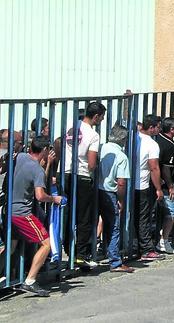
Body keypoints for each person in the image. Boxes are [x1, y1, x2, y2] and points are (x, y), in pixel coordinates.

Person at [11, 137, 64, 296]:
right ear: (45, 150)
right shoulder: (37, 170)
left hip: (10, 210)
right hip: (22, 213)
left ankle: (10, 275)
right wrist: (54, 199)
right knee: (46, 244)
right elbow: (40, 196)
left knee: (12, 246)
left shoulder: (20, 157)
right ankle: (30, 281)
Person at [64, 101, 106, 269]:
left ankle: (67, 250)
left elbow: (59, 144)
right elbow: (91, 162)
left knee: (67, 215)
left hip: (65, 173)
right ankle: (81, 255)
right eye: (101, 118)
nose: (101, 121)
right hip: (82, 176)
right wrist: (95, 168)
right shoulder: (93, 135)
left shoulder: (70, 126)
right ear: (95, 116)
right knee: (84, 218)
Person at [98, 125, 134, 273]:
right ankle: (115, 261)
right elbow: (121, 182)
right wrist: (121, 199)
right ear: (124, 139)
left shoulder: (101, 148)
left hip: (96, 189)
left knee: (95, 222)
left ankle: (90, 254)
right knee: (113, 227)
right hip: (110, 192)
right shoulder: (121, 156)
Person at [134, 115, 165, 261]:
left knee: (131, 217)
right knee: (143, 217)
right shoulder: (152, 144)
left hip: (128, 184)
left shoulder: (134, 138)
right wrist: (158, 188)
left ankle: (132, 245)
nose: (159, 130)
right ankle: (146, 248)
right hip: (142, 184)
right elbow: (153, 167)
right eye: (158, 127)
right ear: (151, 127)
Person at [155, 117, 174, 255]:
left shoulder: (157, 139)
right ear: (171, 129)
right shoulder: (169, 145)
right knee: (171, 212)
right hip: (162, 185)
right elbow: (165, 168)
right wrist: (170, 185)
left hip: (152, 182)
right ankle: (163, 241)